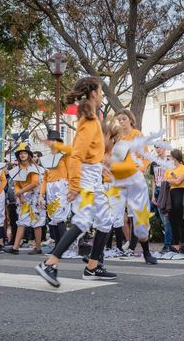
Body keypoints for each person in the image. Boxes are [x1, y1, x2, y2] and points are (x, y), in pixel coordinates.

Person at [36, 76, 116, 287]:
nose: (101, 95)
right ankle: (49, 264)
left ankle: (92, 267)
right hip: (86, 177)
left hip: (93, 176)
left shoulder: (91, 119)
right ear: (92, 93)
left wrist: (103, 163)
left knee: (106, 221)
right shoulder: (89, 122)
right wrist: (74, 186)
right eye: (99, 91)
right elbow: (77, 156)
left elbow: (82, 152)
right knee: (82, 220)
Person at [102, 117, 158, 264]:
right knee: (109, 216)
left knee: (140, 220)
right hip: (118, 183)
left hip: (134, 181)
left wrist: (141, 168)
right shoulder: (112, 143)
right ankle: (97, 256)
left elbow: (141, 158)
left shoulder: (130, 140)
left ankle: (146, 253)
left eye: (123, 119)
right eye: (118, 120)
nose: (121, 122)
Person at [4, 143, 42, 255]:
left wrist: (20, 192)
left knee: (37, 222)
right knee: (21, 222)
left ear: (29, 155)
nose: (22, 155)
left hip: (34, 196)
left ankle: (38, 247)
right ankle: (15, 248)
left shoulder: (33, 168)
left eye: (25, 153)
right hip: (24, 198)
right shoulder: (17, 169)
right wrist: (20, 195)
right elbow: (16, 183)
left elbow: (34, 183)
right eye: (21, 153)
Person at [39, 130, 71, 249]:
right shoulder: (46, 159)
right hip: (50, 188)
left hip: (62, 186)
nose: (52, 143)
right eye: (50, 140)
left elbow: (71, 173)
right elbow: (45, 179)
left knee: (60, 217)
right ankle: (58, 247)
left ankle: (63, 248)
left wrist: (71, 189)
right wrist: (41, 195)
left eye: (55, 140)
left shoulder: (64, 156)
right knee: (53, 217)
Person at [149, 142, 173, 253]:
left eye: (160, 147)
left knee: (166, 218)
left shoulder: (170, 161)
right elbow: (153, 180)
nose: (158, 149)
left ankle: (168, 244)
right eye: (156, 147)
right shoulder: (154, 163)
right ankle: (169, 241)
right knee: (162, 219)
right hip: (158, 191)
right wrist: (153, 195)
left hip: (167, 190)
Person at [165, 149, 184, 252]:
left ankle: (183, 243)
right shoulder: (168, 169)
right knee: (172, 220)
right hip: (170, 195)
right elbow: (165, 181)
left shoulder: (183, 168)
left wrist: (172, 181)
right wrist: (173, 181)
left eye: (170, 157)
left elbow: (179, 181)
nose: (169, 159)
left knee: (181, 220)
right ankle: (175, 244)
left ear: (175, 158)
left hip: (180, 193)